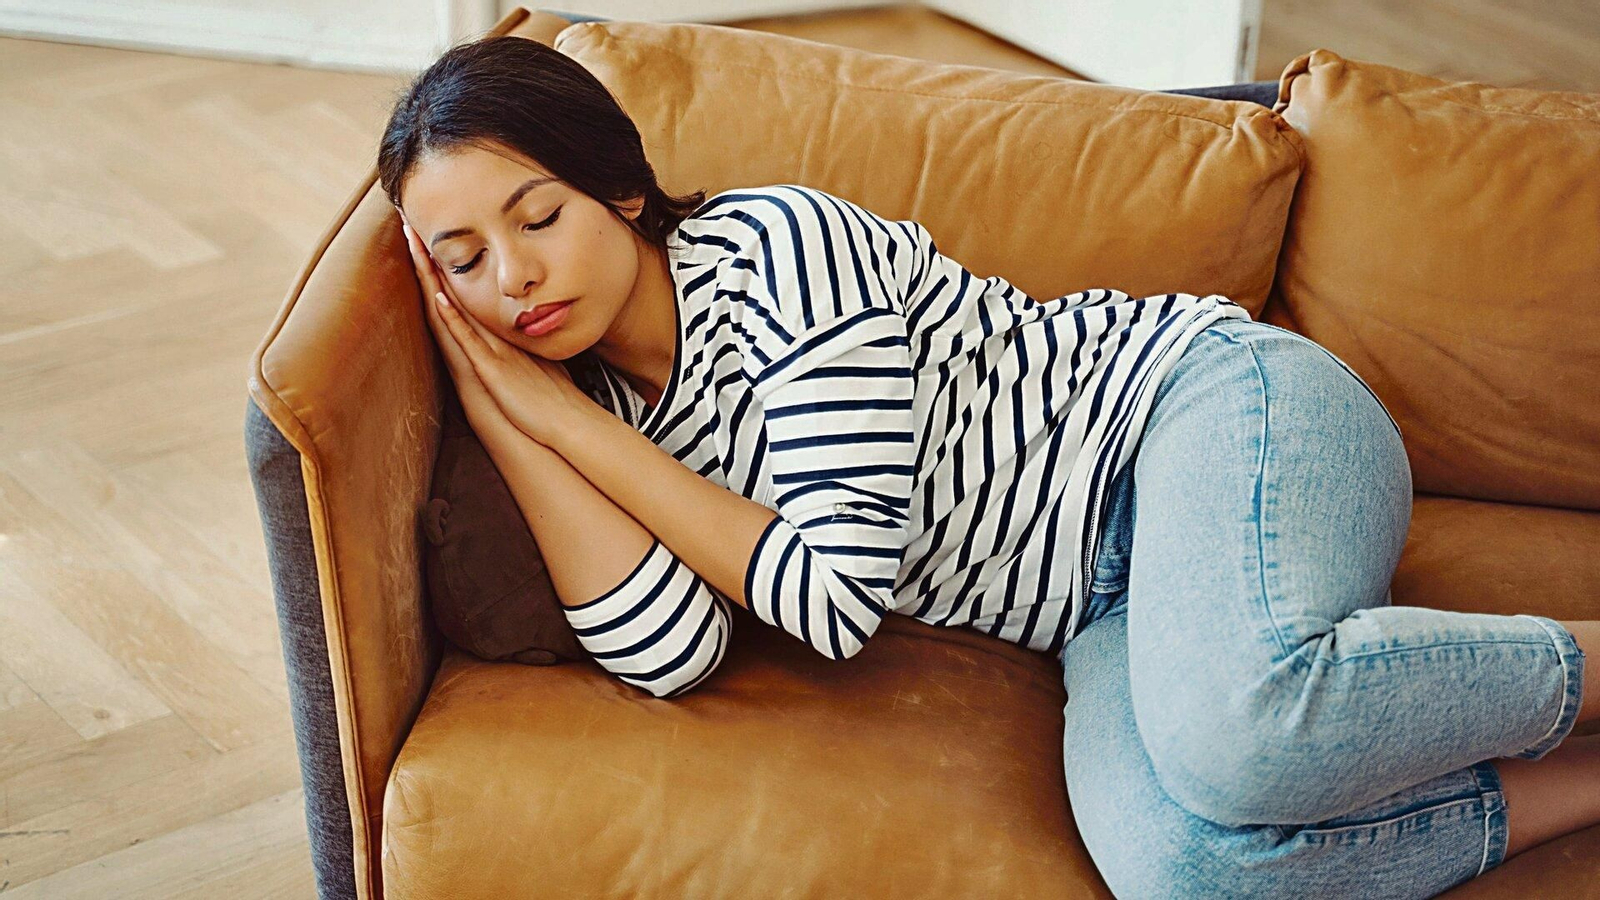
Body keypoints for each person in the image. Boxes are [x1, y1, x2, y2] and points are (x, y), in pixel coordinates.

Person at [377, 33, 1597, 898]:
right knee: (1184, 873)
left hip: (1202, 414)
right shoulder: (593, 407)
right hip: (1096, 602)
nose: (514, 279)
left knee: (1242, 732)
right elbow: (667, 651)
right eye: (463, 260)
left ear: (623, 191)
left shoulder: (777, 251)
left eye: (536, 217)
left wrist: (567, 427)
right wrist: (511, 417)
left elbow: (835, 600)